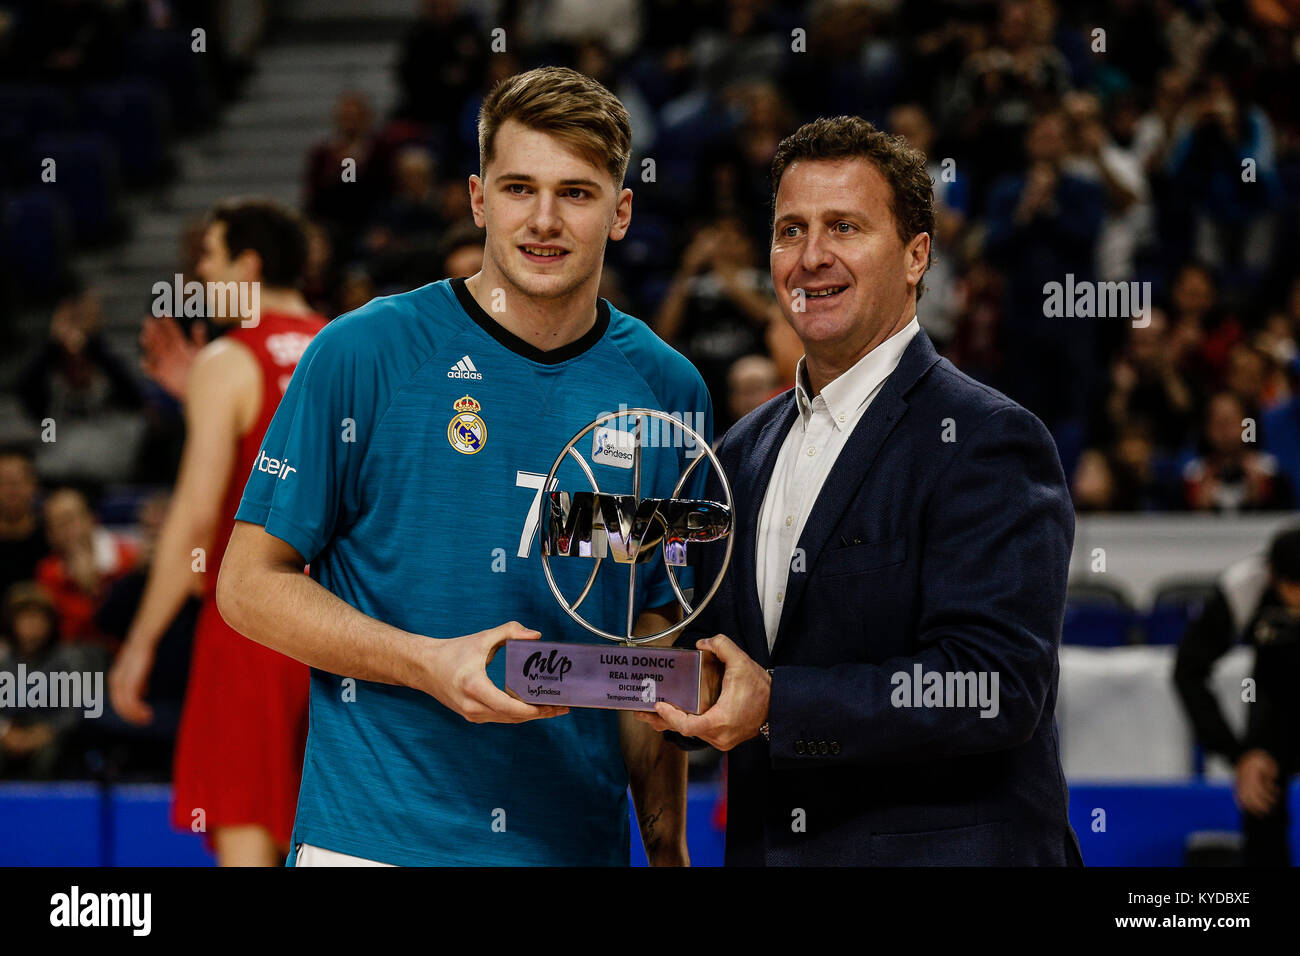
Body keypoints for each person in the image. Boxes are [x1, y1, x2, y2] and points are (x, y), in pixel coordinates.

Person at [216, 67, 712, 867]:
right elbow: (247, 584)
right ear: (479, 200)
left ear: (621, 212)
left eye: (578, 193)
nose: (544, 220)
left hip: (575, 849)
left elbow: (651, 638)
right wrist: (426, 662)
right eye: (520, 188)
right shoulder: (365, 351)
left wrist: (666, 847)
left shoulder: (668, 389)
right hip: (375, 844)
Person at [639, 115, 1082, 866]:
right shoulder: (739, 452)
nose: (812, 257)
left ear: (916, 257)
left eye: (844, 227)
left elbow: (991, 687)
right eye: (790, 231)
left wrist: (778, 704)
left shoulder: (988, 439)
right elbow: (696, 644)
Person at [108, 198, 327, 867]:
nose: (197, 275)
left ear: (248, 265)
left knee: (246, 841)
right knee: (330, 843)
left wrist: (139, 644)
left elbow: (196, 518)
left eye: (209, 257)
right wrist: (200, 401)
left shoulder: (229, 360)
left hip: (251, 628)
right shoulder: (347, 345)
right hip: (345, 633)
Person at [1173, 527, 1300, 866]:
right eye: (1292, 587)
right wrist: (1238, 754)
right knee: (1260, 788)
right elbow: (1188, 670)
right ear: (1274, 576)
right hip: (1275, 695)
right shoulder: (1245, 586)